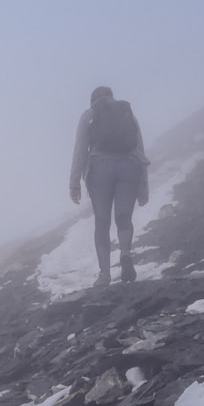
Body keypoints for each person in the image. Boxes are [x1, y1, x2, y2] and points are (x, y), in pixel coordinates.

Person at [69, 86, 150, 287]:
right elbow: (140, 149)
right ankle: (125, 254)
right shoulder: (127, 112)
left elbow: (80, 149)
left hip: (100, 169)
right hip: (129, 168)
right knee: (124, 218)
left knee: (102, 221)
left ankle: (104, 274)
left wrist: (74, 182)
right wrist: (143, 187)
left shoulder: (88, 115)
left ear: (92, 100)